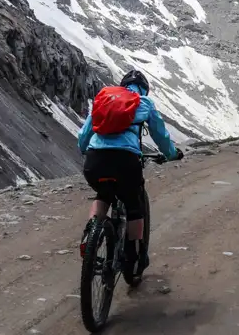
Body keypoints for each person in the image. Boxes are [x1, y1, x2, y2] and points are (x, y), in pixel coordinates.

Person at [78, 69, 182, 281]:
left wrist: (85, 149)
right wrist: (171, 154)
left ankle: (90, 238)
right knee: (134, 207)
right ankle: (134, 256)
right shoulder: (144, 102)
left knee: (103, 195)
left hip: (95, 160)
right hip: (125, 162)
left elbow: (85, 133)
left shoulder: (104, 96)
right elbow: (160, 134)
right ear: (144, 89)